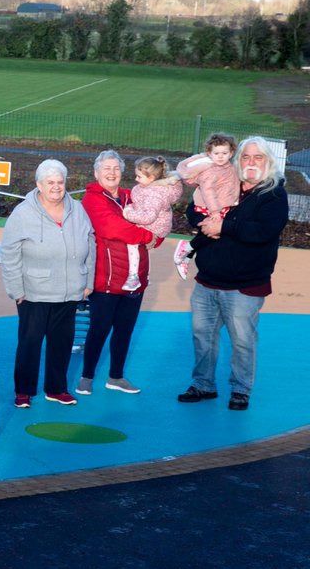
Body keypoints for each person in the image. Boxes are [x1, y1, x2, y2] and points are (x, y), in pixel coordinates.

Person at [178, 137, 288, 411]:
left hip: (245, 286)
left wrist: (223, 226)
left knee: (242, 341)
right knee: (202, 336)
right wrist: (204, 221)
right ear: (237, 159)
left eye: (258, 157)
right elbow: (193, 208)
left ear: (268, 161)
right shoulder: (225, 180)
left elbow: (263, 231)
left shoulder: (273, 193)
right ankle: (203, 384)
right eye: (246, 157)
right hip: (208, 280)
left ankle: (241, 389)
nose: (251, 162)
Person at [1, 160, 94, 408]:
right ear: (38, 185)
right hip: (33, 291)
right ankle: (24, 391)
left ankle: (56, 388)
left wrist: (88, 279)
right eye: (50, 182)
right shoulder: (22, 213)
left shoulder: (77, 209)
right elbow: (10, 253)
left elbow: (91, 243)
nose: (56, 187)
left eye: (60, 182)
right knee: (30, 342)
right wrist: (15, 289)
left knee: (62, 342)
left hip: (69, 290)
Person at [77, 151, 164, 397]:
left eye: (116, 168)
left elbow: (157, 217)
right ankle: (87, 376)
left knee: (125, 329)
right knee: (99, 328)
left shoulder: (132, 196)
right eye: (106, 168)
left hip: (135, 278)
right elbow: (112, 228)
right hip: (106, 278)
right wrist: (147, 235)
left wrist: (157, 236)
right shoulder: (92, 199)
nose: (112, 172)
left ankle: (116, 376)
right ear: (96, 173)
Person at [173, 133, 240, 280]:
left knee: (214, 234)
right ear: (210, 153)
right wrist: (215, 212)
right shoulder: (211, 171)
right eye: (216, 153)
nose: (221, 156)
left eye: (224, 153)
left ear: (231, 153)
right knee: (212, 232)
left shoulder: (229, 167)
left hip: (222, 207)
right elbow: (208, 192)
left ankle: (187, 256)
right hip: (210, 207)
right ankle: (187, 248)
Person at [120, 156, 182, 292]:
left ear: (152, 178)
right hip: (156, 222)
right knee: (140, 246)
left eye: (139, 176)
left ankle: (133, 277)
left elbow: (148, 217)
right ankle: (144, 275)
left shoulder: (154, 194)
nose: (136, 179)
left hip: (155, 225)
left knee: (132, 241)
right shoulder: (148, 188)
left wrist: (128, 213)